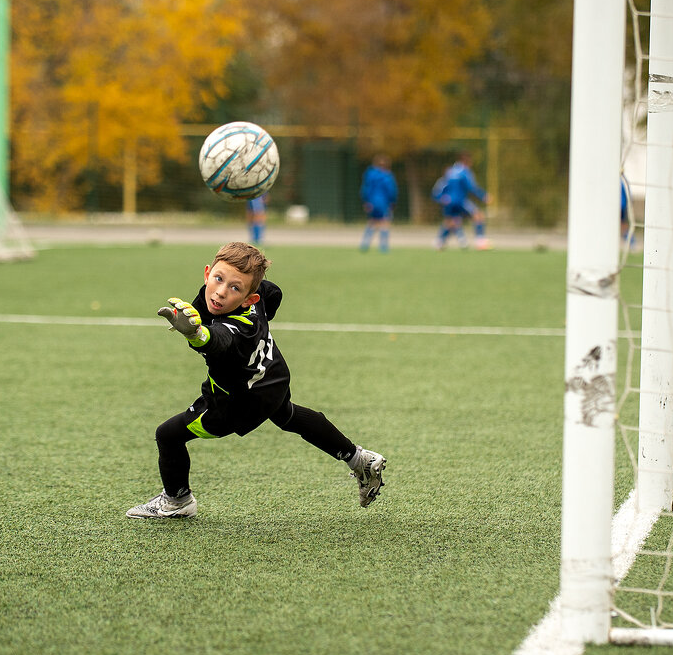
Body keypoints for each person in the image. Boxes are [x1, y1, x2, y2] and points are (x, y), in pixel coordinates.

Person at [127, 242, 387, 519]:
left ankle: (177, 501)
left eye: (235, 288)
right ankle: (359, 459)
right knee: (289, 416)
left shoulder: (239, 326)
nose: (221, 292)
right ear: (207, 273)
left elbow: (218, 340)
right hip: (272, 378)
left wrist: (197, 335)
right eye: (218, 279)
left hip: (239, 401)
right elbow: (273, 292)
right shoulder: (253, 294)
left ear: (249, 299)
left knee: (168, 435)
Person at [432, 152, 490, 250]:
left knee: (450, 221)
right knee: (478, 215)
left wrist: (441, 198)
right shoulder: (464, 172)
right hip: (460, 200)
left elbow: (442, 186)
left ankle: (439, 242)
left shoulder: (450, 171)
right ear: (467, 161)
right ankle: (481, 242)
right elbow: (471, 187)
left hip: (449, 202)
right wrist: (483, 195)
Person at [359, 155, 398, 252]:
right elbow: (391, 190)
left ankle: (365, 244)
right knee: (384, 222)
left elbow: (365, 189)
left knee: (372, 221)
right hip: (383, 202)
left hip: (372, 202)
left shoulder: (370, 174)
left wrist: (366, 201)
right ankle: (383, 246)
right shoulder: (387, 176)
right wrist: (393, 202)